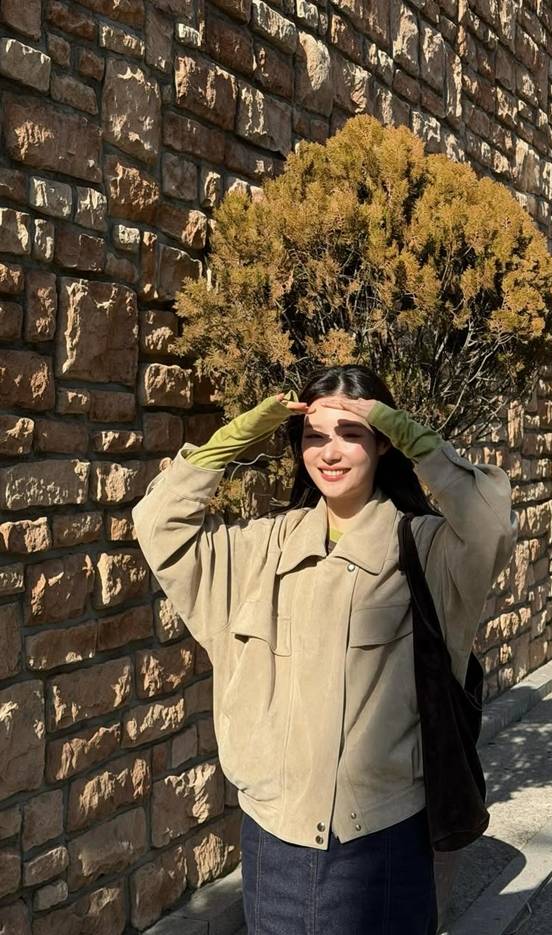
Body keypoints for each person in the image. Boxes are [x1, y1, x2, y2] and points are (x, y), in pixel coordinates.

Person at [131, 363, 518, 935]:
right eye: (314, 436)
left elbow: (490, 527)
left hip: (382, 839)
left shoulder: (425, 549)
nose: (329, 453)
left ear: (382, 444)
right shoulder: (260, 549)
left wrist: (411, 434)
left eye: (351, 433)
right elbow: (160, 526)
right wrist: (234, 438)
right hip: (273, 840)